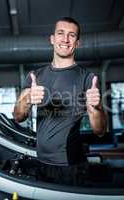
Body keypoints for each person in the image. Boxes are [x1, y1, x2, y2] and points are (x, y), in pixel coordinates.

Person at [13, 17, 107, 185]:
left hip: (71, 165)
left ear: (77, 43)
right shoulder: (36, 76)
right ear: (52, 38)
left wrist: (98, 108)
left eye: (72, 35)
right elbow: (18, 116)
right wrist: (27, 99)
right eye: (60, 33)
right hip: (41, 161)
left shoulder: (87, 78)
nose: (65, 39)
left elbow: (99, 130)